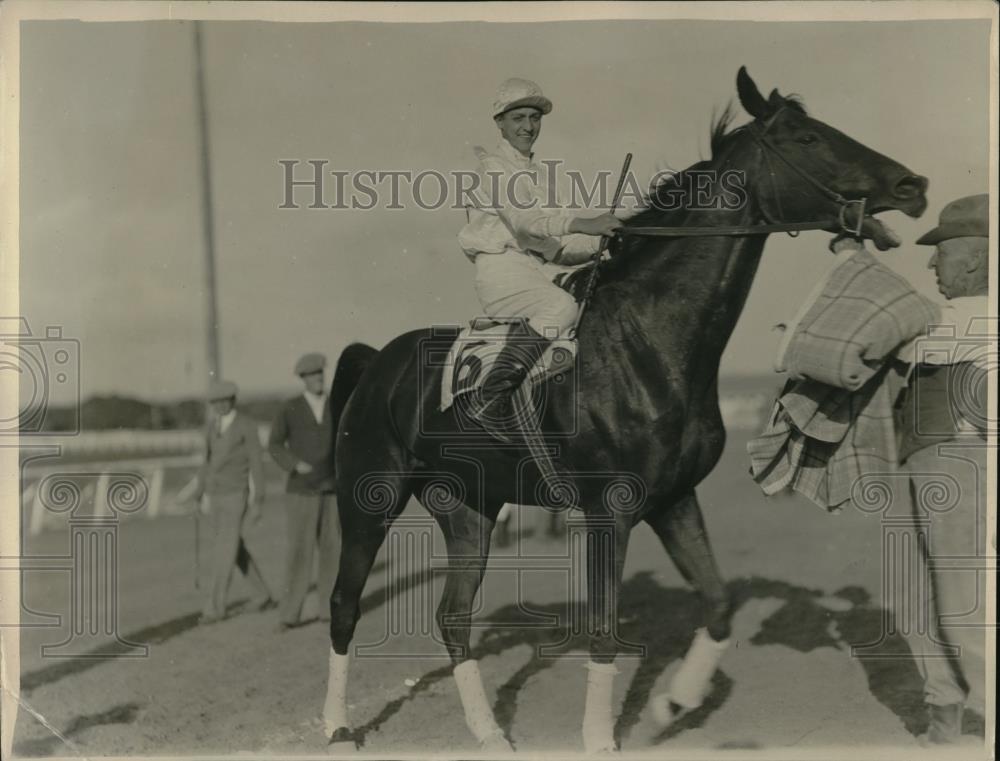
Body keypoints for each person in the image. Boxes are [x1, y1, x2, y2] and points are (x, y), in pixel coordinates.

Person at [457, 77, 623, 427]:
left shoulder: (539, 176)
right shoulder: (493, 169)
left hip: (536, 271)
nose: (528, 127)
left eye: (535, 118)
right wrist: (584, 223)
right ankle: (492, 398)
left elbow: (558, 249)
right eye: (518, 118)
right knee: (561, 307)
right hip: (501, 274)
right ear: (499, 123)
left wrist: (608, 243)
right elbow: (525, 222)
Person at [892, 193, 991, 744]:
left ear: (976, 260)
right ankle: (944, 715)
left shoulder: (965, 316)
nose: (932, 263)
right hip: (945, 463)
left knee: (955, 597)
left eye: (942, 252)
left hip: (957, 463)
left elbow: (886, 342)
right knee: (926, 592)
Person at [183, 380, 275, 624]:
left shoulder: (246, 425)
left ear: (233, 400)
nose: (220, 406)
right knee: (233, 547)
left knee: (224, 550)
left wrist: (259, 501)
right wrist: (198, 493)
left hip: (237, 495)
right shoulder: (212, 425)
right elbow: (207, 462)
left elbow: (257, 464)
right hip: (215, 496)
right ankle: (262, 594)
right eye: (215, 402)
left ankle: (215, 607)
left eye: (224, 401)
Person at [268, 352, 341, 631]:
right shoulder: (290, 408)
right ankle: (289, 615)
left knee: (333, 552)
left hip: (332, 491)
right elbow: (274, 445)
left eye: (321, 374)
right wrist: (294, 464)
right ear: (303, 379)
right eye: (312, 376)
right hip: (301, 492)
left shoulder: (337, 404)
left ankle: (329, 610)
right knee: (299, 553)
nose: (318, 379)